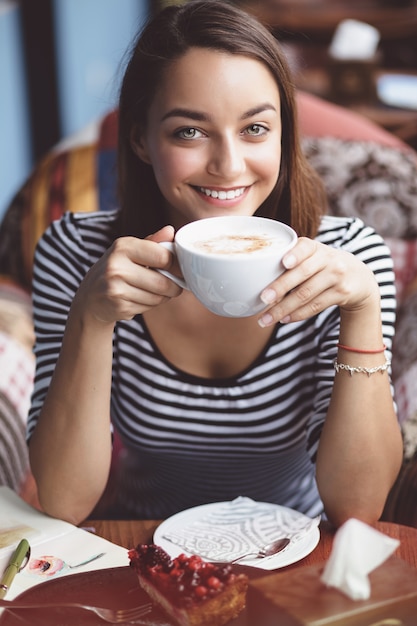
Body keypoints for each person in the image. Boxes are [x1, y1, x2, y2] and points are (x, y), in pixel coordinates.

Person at [27, 0, 402, 527]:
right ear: (140, 137)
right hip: (140, 542)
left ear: (284, 135)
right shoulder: (77, 254)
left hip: (296, 547)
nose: (228, 166)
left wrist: (362, 310)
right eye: (189, 131)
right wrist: (92, 318)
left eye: (254, 129)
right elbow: (64, 503)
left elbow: (359, 509)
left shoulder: (350, 260)